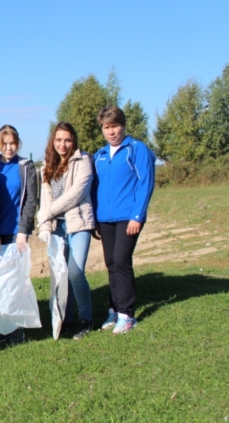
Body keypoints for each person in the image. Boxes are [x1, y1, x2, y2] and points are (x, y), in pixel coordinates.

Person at [93, 107, 155, 335]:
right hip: (105, 218)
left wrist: (137, 216)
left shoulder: (136, 149)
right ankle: (114, 309)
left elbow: (145, 183)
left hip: (128, 217)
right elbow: (94, 188)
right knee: (111, 263)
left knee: (121, 260)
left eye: (115, 126)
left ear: (124, 125)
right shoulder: (99, 156)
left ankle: (127, 315)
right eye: (106, 127)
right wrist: (95, 220)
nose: (111, 132)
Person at [36, 122, 95, 340]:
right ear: (53, 141)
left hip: (78, 224)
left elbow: (76, 194)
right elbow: (46, 197)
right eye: (59, 140)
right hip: (57, 227)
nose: (63, 144)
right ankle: (66, 320)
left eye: (68, 140)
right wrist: (44, 224)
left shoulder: (83, 161)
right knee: (61, 274)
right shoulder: (46, 165)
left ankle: (86, 318)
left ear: (74, 141)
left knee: (75, 271)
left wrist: (46, 213)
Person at [0, 124, 38, 345]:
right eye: (4, 143)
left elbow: (30, 201)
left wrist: (23, 231)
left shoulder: (26, 167)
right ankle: (1, 328)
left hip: (17, 234)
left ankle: (16, 329)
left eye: (12, 143)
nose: (8, 148)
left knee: (16, 283)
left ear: (18, 143)